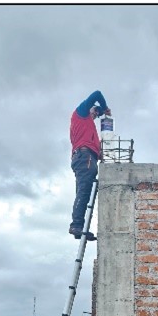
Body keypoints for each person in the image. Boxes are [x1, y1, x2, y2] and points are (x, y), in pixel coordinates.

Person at [69, 90, 110, 240]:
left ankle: (79, 226)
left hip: (87, 157)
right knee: (84, 190)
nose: (94, 115)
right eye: (94, 111)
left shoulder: (89, 126)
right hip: (84, 156)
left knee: (84, 191)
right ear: (89, 109)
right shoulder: (80, 114)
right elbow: (97, 94)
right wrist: (105, 108)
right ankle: (76, 225)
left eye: (96, 114)